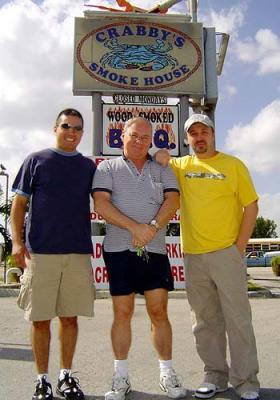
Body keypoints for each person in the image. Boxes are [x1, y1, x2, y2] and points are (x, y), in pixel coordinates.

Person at [155, 113, 260, 400]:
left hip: (227, 254)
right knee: (204, 321)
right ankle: (215, 376)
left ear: (213, 134)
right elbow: (161, 160)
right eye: (193, 134)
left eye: (204, 132)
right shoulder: (182, 166)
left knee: (238, 320)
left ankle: (246, 381)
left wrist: (238, 248)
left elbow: (251, 207)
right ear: (187, 139)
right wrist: (161, 155)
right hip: (194, 256)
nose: (199, 138)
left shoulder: (233, 165)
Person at [92, 116, 187, 400]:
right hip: (119, 250)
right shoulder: (107, 167)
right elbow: (100, 203)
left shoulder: (162, 167)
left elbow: (173, 201)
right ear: (122, 134)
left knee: (159, 312)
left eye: (145, 138)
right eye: (134, 135)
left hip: (155, 251)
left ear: (152, 140)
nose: (140, 141)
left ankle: (167, 374)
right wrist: (136, 228)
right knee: (122, 313)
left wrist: (153, 229)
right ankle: (120, 378)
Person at [11, 108, 96, 400]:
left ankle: (66, 377)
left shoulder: (88, 167)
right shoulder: (36, 160)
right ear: (55, 128)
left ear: (82, 133)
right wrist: (17, 243)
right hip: (40, 253)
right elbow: (19, 205)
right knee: (40, 320)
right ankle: (42, 380)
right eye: (66, 126)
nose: (72, 132)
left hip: (77, 252)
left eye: (77, 128)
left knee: (70, 318)